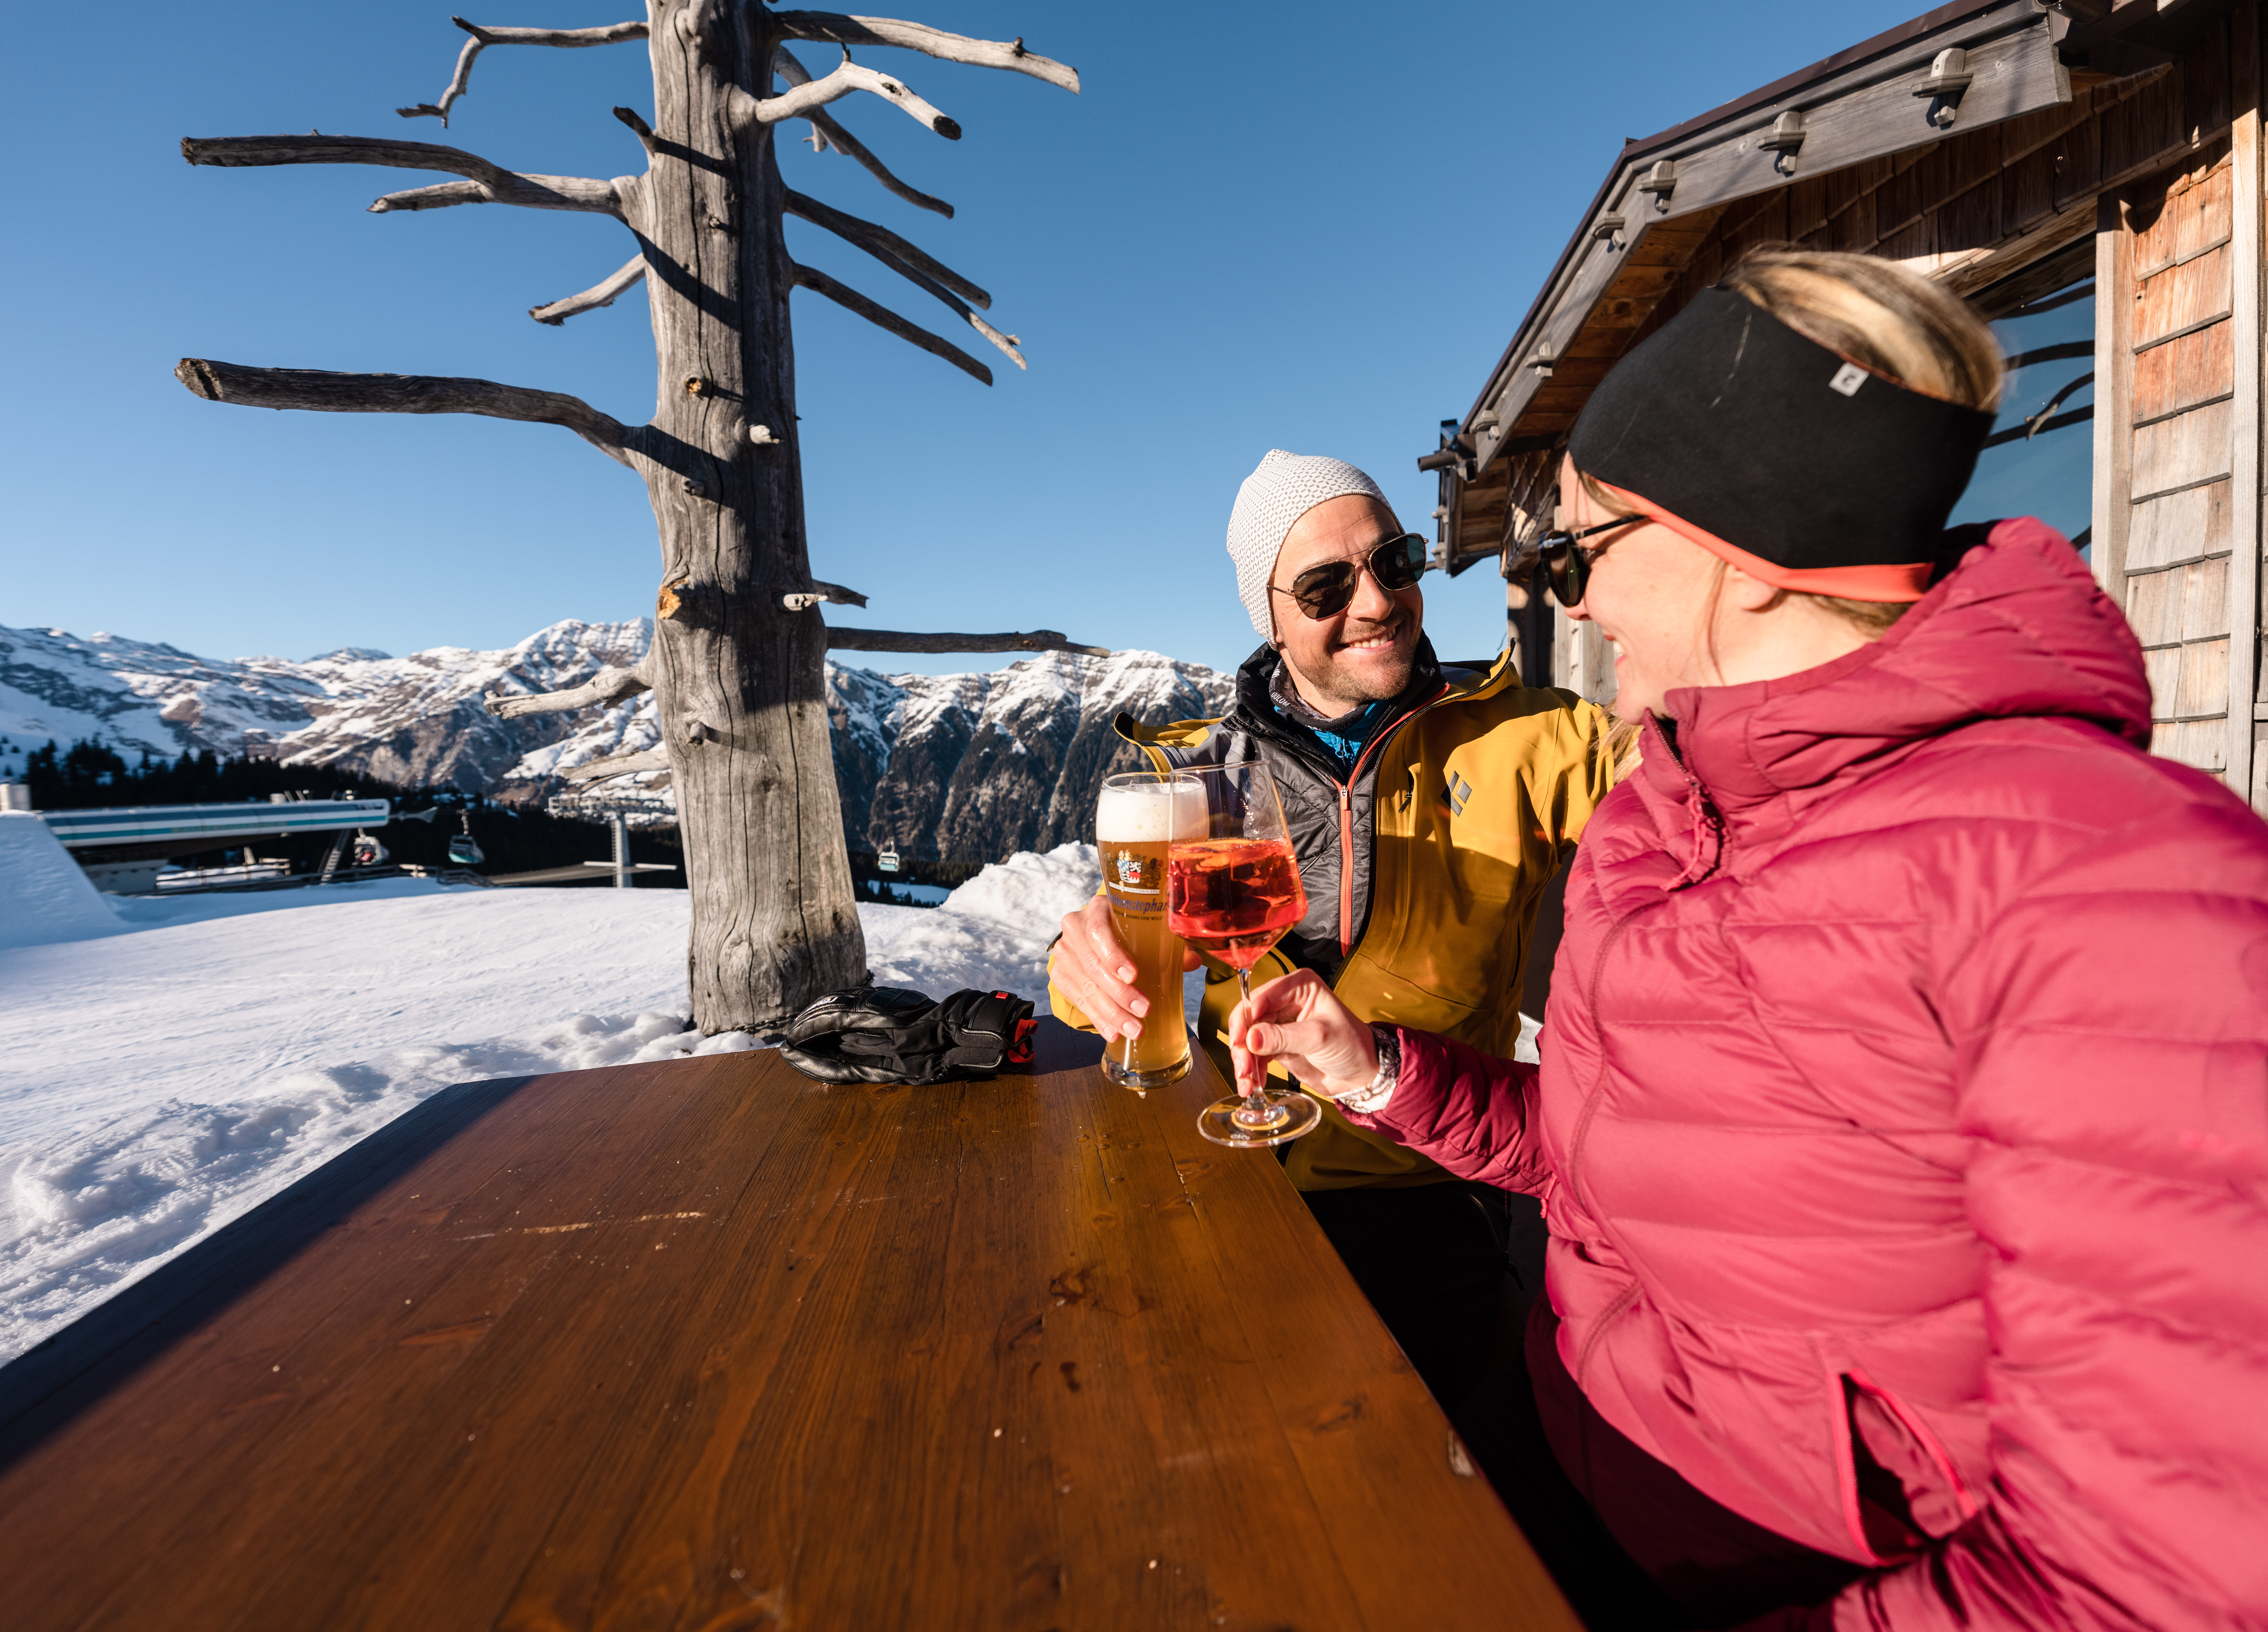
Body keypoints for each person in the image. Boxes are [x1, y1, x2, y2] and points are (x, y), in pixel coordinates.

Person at [1226, 249, 2268, 1631]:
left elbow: (2174, 1567)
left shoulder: (2107, 884)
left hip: (1770, 1575)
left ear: (1750, 561)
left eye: (1582, 552)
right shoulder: (1666, 818)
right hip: (1566, 1453)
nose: (1572, 602)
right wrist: (1380, 1074)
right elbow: (1614, 1155)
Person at [1049, 449, 1618, 1411]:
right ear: (1269, 617)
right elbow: (1117, 964)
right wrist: (1081, 966)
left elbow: (1714, 780)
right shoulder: (1198, 771)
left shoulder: (1535, 739)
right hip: (1228, 1170)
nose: (1374, 601)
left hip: (1431, 1180)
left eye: (1393, 562)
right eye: (1324, 584)